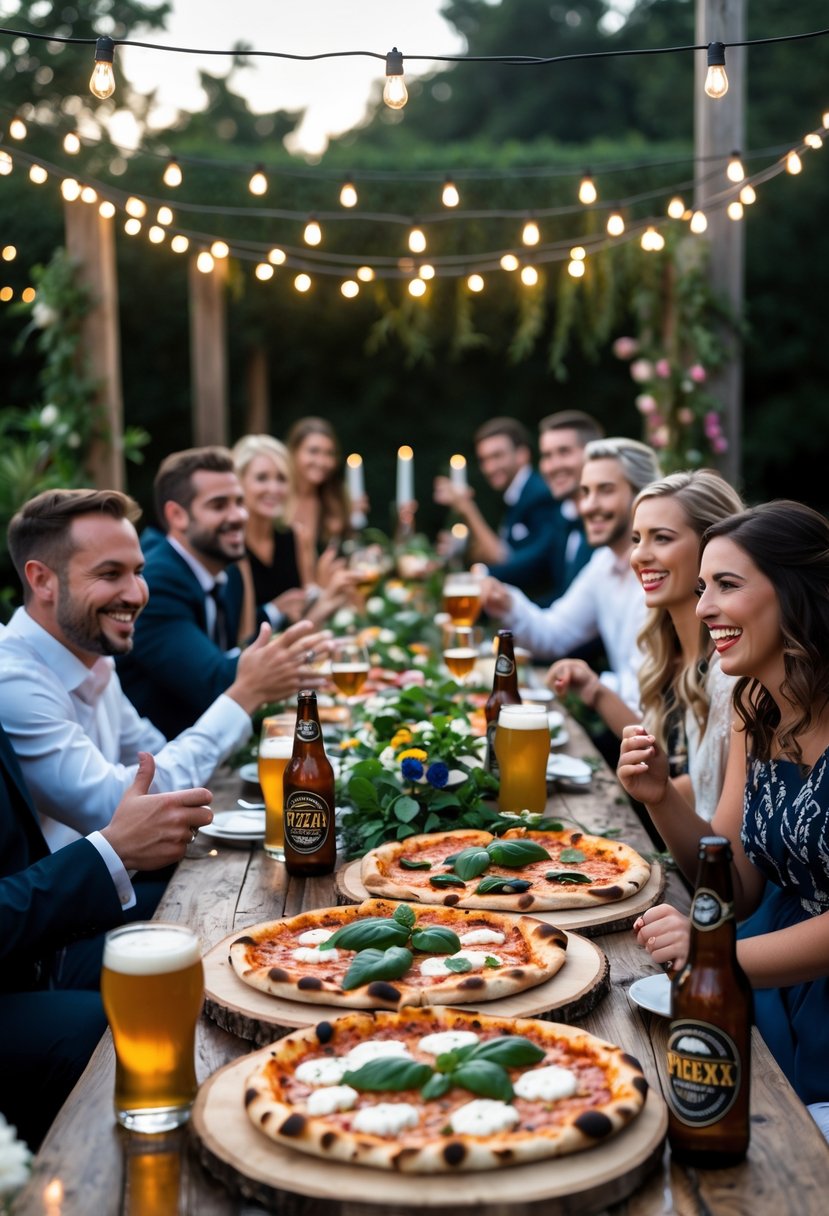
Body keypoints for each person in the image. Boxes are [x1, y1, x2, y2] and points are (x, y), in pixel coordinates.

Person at [620, 501, 829, 1138]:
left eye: (727, 586)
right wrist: (660, 798)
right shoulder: (753, 703)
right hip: (764, 969)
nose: (704, 607)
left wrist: (716, 953)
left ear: (796, 594)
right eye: (704, 587)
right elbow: (736, 883)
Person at [0, 486, 325, 848]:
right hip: (76, 901)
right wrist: (244, 695)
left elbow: (152, 761)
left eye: (138, 572)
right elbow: (116, 807)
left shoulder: (96, 657)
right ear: (42, 580)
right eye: (110, 574)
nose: (137, 594)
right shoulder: (12, 678)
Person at [0, 728, 212, 1149]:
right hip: (19, 961)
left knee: (196, 932)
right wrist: (110, 851)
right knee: (119, 1027)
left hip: (31, 947)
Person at [550, 470, 744, 819]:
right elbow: (658, 758)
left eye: (662, 538)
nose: (639, 556)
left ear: (712, 546)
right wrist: (595, 690)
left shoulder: (729, 667)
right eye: (637, 539)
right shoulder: (665, 646)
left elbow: (698, 796)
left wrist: (626, 801)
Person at [116, 446, 330, 738]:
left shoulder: (225, 571)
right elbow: (213, 683)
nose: (239, 516)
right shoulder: (156, 582)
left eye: (239, 502)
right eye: (219, 505)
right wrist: (295, 656)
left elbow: (231, 651)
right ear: (177, 515)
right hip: (162, 762)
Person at [482, 437, 661, 715]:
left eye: (606, 490)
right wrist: (507, 603)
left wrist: (590, 682)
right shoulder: (603, 563)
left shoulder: (659, 576)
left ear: (642, 496)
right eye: (585, 492)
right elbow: (554, 633)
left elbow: (644, 699)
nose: (588, 506)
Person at [232, 434, 357, 641]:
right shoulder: (233, 546)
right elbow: (241, 635)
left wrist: (329, 592)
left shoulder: (296, 537)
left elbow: (309, 617)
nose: (274, 489)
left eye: (281, 478)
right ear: (239, 482)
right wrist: (275, 609)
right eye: (262, 478)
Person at [433, 416, 560, 604]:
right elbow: (498, 550)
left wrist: (467, 508)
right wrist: (461, 547)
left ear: (522, 454)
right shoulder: (517, 495)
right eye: (484, 460)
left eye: (497, 456)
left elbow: (505, 560)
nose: (489, 467)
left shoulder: (539, 495)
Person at [537, 410, 605, 595]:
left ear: (593, 454)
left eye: (564, 452)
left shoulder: (615, 523)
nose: (553, 466)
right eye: (547, 456)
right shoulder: (561, 517)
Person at [286, 417, 357, 571]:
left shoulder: (337, 501)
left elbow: (348, 556)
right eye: (313, 451)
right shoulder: (277, 500)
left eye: (329, 454)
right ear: (294, 451)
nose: (322, 461)